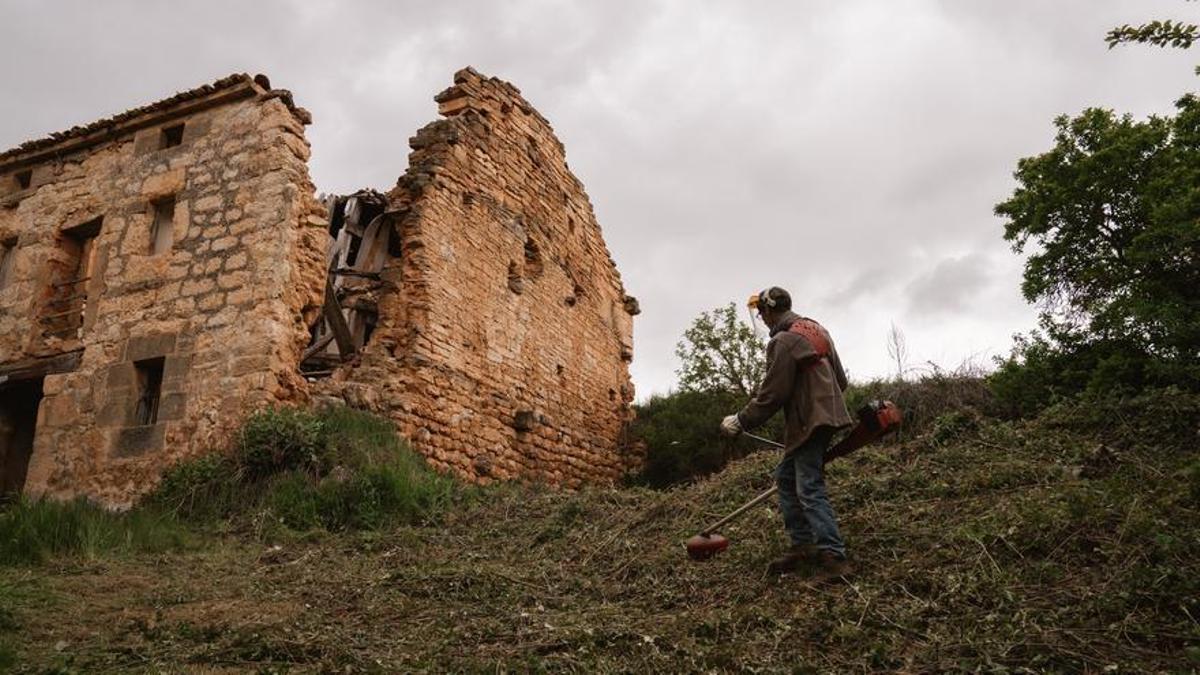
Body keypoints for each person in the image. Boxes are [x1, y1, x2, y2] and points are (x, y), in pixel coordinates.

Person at [719, 286, 855, 579]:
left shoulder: (783, 340)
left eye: (762, 313)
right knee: (786, 477)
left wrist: (741, 420)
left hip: (810, 421)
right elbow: (840, 380)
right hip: (826, 414)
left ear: (769, 311)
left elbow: (772, 394)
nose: (762, 319)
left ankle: (834, 557)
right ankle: (802, 546)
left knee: (808, 487)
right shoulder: (816, 329)